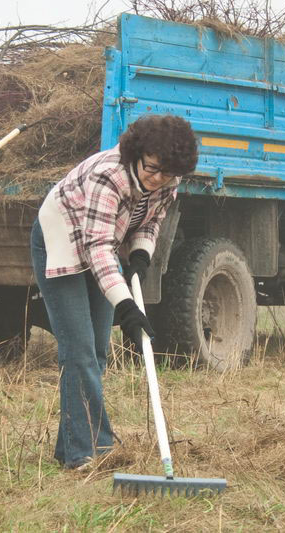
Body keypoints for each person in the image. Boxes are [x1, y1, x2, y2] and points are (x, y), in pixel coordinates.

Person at [31, 114, 198, 470]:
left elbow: (151, 221)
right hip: (62, 240)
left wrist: (140, 255)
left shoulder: (169, 179)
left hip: (104, 243)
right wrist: (126, 306)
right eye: (152, 169)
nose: (158, 179)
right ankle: (90, 452)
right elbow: (98, 249)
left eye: (167, 174)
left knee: (97, 351)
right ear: (138, 154)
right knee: (78, 351)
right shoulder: (108, 175)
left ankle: (72, 445)